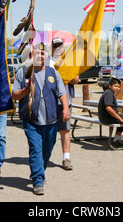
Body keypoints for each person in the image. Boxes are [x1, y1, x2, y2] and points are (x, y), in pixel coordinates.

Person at [12, 42, 69, 195]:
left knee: (47, 150)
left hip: (51, 121)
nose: (40, 56)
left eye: (43, 54)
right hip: (31, 120)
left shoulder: (53, 72)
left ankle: (40, 170)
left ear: (46, 56)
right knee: (35, 149)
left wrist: (65, 108)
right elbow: (14, 95)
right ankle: (38, 180)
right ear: (32, 55)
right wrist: (26, 89)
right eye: (37, 53)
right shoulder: (23, 72)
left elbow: (61, 93)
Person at [49, 37, 79, 170]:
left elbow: (76, 80)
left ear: (63, 47)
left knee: (65, 130)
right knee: (48, 130)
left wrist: (63, 73)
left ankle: (66, 158)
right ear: (51, 47)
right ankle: (45, 156)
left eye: (59, 46)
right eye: (55, 45)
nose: (57, 48)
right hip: (49, 102)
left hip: (65, 102)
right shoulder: (47, 62)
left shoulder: (69, 61)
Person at [98, 77, 123, 151]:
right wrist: (120, 118)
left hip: (104, 118)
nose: (117, 88)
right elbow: (108, 108)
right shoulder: (109, 94)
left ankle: (116, 141)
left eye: (119, 87)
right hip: (108, 119)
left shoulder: (107, 92)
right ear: (110, 86)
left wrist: (119, 115)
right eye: (115, 86)